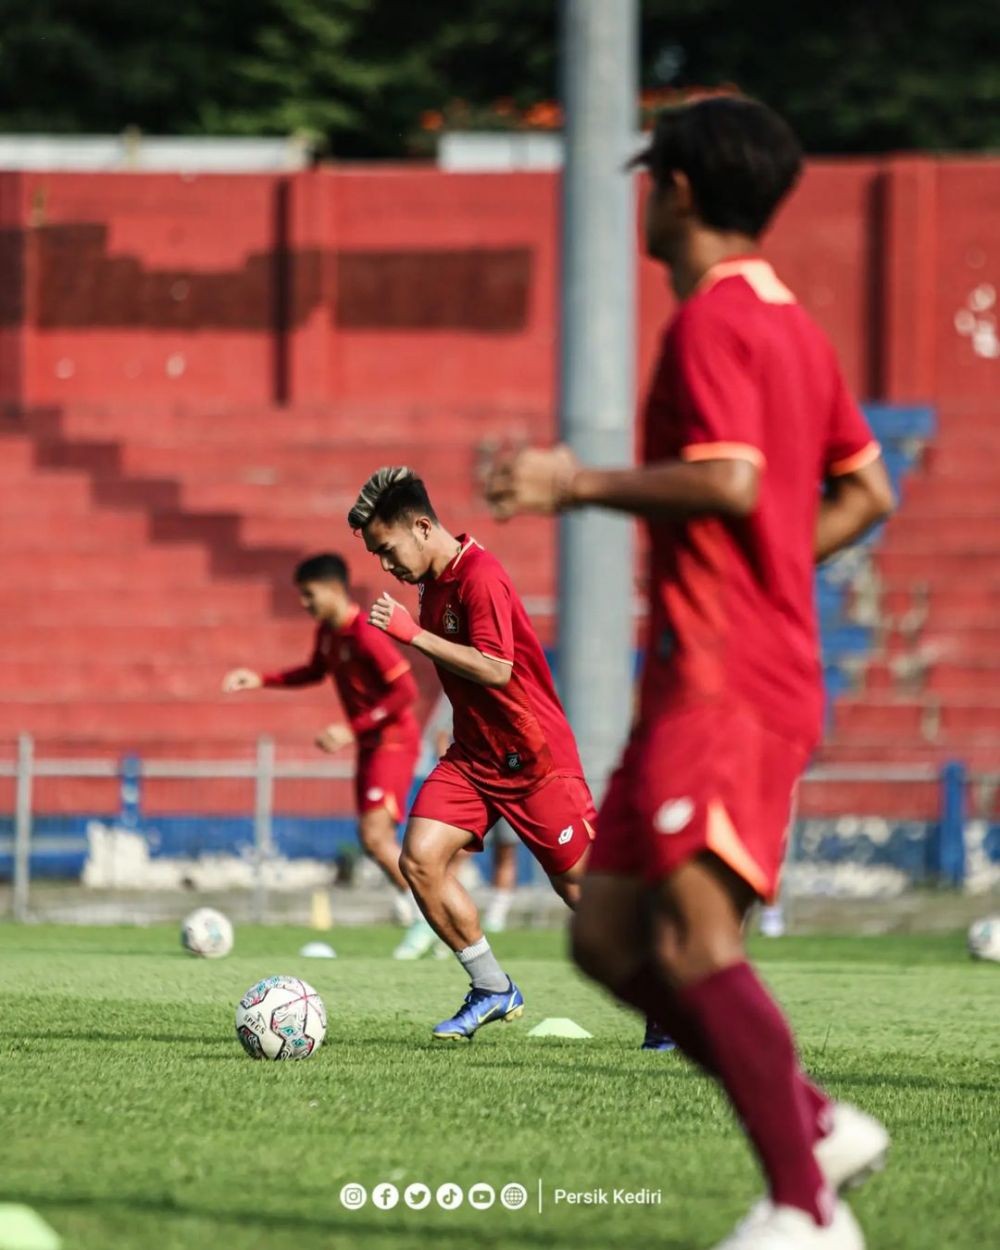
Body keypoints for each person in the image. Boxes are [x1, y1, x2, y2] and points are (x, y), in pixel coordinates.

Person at [483, 96, 895, 1250]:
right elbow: (864, 492)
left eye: (647, 178)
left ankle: (803, 1210)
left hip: (726, 677)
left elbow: (725, 481)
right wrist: (775, 565)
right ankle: (813, 1124)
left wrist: (572, 486)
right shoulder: (794, 325)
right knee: (604, 941)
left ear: (675, 188)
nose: (642, 199)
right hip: (707, 669)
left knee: (693, 943)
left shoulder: (714, 321)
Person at [346, 468, 598, 1040]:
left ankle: (669, 1001)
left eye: (387, 550)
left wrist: (412, 635)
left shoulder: (480, 576)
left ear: (422, 525)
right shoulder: (431, 585)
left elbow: (495, 667)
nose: (385, 565)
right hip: (474, 757)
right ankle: (491, 987)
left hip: (533, 757)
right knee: (419, 861)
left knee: (583, 892)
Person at [222, 552, 423, 938]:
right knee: (373, 840)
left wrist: (352, 728)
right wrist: (260, 679)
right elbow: (313, 671)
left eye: (309, 594)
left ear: (333, 590)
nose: (304, 603)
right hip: (370, 744)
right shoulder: (330, 634)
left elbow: (406, 691)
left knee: (374, 837)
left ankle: (422, 915)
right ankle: (419, 909)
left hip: (393, 742)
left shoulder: (365, 633)